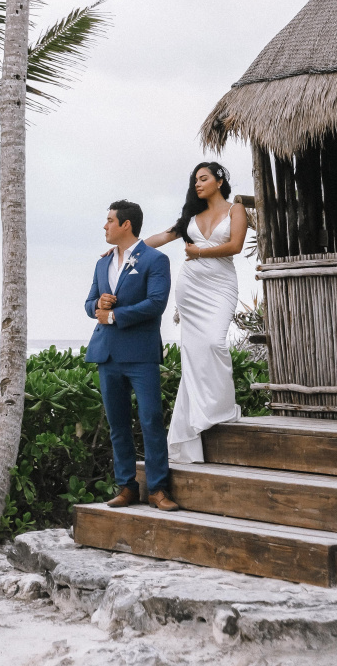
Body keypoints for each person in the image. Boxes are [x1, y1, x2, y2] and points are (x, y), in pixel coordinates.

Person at [145, 163, 247, 463]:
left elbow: (235, 246)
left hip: (221, 286)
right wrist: (124, 249)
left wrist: (200, 251)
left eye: (203, 179)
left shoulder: (236, 210)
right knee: (193, 353)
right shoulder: (191, 216)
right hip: (191, 288)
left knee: (214, 343)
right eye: (195, 180)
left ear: (220, 181)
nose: (198, 184)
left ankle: (219, 408)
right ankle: (196, 423)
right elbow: (161, 238)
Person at [85, 200, 178, 511]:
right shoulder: (102, 264)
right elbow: (89, 304)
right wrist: (98, 304)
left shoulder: (155, 259)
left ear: (126, 224)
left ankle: (158, 489)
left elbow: (156, 303)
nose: (105, 225)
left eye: (110, 220)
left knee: (151, 420)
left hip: (141, 354)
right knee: (118, 425)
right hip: (107, 354)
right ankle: (126, 487)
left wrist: (114, 316)